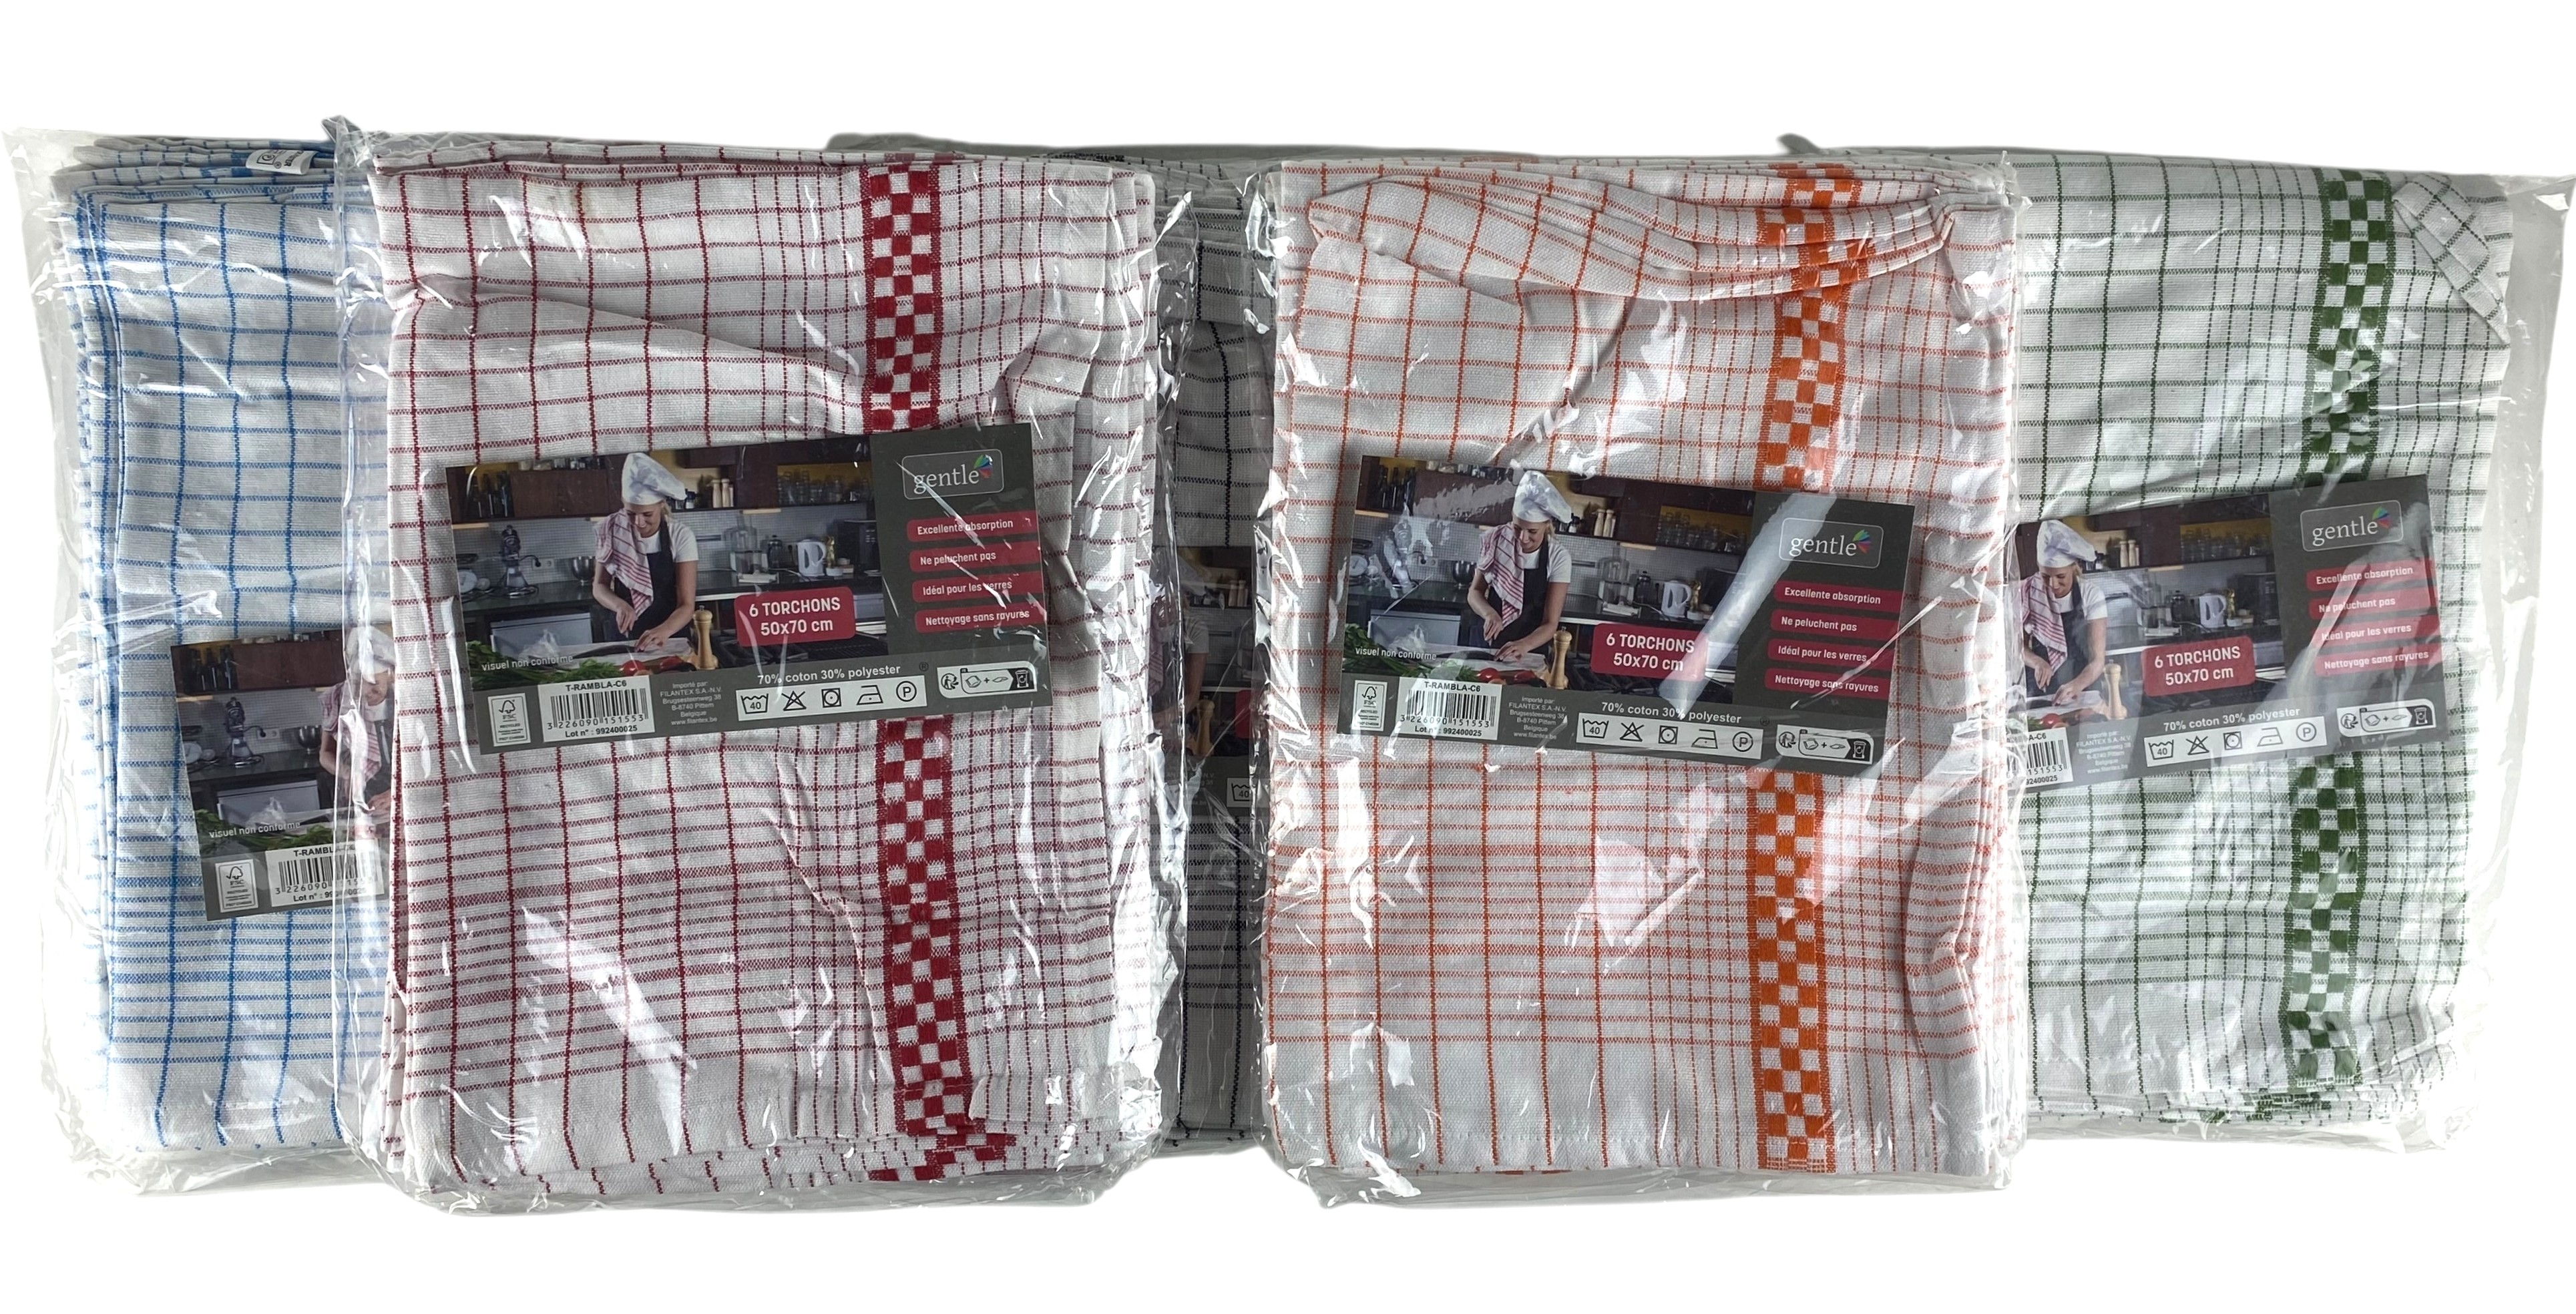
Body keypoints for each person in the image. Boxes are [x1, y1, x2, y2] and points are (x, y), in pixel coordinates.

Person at [592, 452, 700, 647]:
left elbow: (686, 605)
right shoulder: (612, 530)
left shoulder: (680, 536)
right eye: (630, 514)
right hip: (625, 633)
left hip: (670, 634)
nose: (638, 522)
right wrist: (620, 605)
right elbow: (599, 586)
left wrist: (664, 631)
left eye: (647, 514)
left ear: (661, 505)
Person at [1467, 472, 1574, 662]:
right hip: (1488, 641)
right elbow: (1474, 592)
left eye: (1532, 531)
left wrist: (1524, 645)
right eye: (1517, 528)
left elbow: (1550, 623)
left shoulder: (1558, 557)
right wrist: (1489, 614)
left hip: (1531, 649)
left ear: (1547, 525)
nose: (1523, 538)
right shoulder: (1496, 541)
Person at [2022, 519, 2109, 708]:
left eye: (2061, 576)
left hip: (2083, 681)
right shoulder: (2029, 593)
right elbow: (2018, 647)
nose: (2053, 584)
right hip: (2041, 683)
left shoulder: (2091, 595)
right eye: (2045, 576)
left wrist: (2077, 685)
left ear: (2073, 568)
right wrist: (2037, 662)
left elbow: (2098, 660)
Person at [318, 626, 394, 819]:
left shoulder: (408, 700)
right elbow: (325, 754)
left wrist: (396, 793)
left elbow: (428, 763)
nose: (366, 692)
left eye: (374, 683)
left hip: (403, 798)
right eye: (358, 683)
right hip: (358, 797)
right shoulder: (338, 698)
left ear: (391, 674)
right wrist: (348, 773)